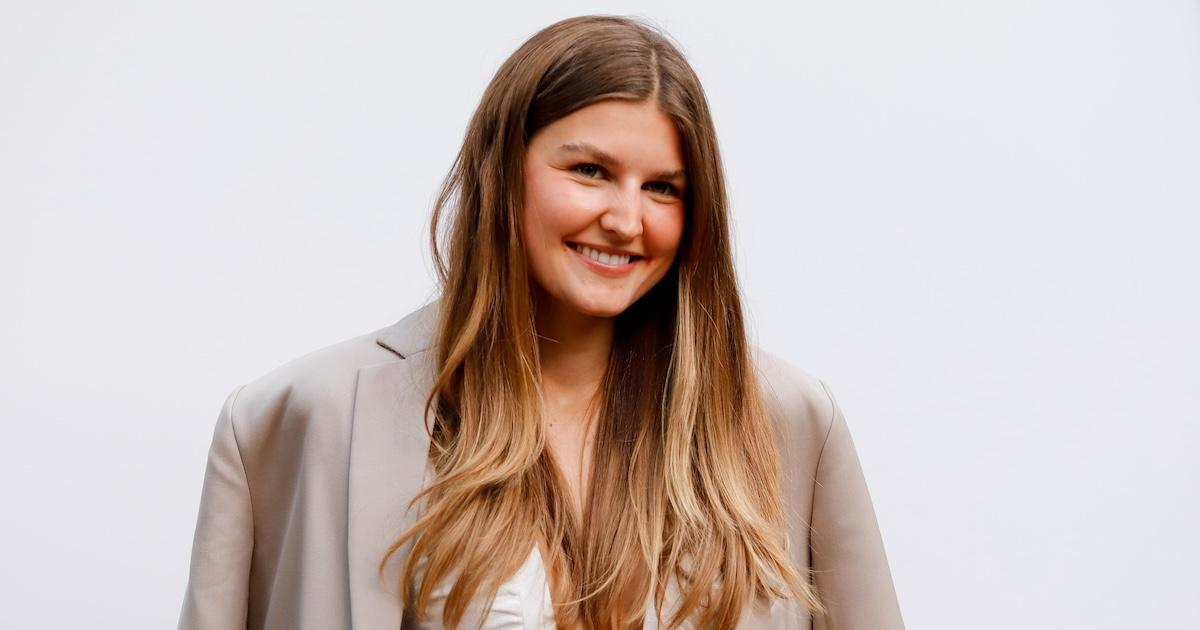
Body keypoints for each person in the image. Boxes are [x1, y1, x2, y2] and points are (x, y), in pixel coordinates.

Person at [177, 14, 904, 630]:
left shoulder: (791, 420)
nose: (625, 220)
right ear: (503, 169)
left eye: (662, 188)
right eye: (589, 171)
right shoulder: (293, 419)